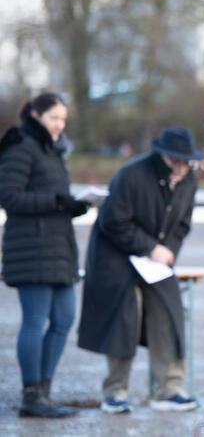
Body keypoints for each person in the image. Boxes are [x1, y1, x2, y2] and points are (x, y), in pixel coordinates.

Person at [77, 128, 203, 414]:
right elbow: (113, 222)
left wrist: (167, 250)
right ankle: (115, 391)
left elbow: (182, 224)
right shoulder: (131, 175)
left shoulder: (189, 180)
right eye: (179, 162)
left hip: (156, 264)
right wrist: (150, 248)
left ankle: (169, 389)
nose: (184, 169)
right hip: (115, 258)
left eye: (188, 163)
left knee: (169, 315)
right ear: (167, 158)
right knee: (124, 318)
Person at [0, 93, 89, 418]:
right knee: (35, 320)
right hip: (31, 248)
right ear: (36, 114)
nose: (59, 125)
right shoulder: (20, 144)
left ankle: (45, 391)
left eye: (63, 120)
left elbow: (54, 197)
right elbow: (8, 197)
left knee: (64, 319)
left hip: (59, 247)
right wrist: (57, 202)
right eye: (54, 118)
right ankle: (31, 394)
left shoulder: (53, 150)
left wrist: (72, 206)